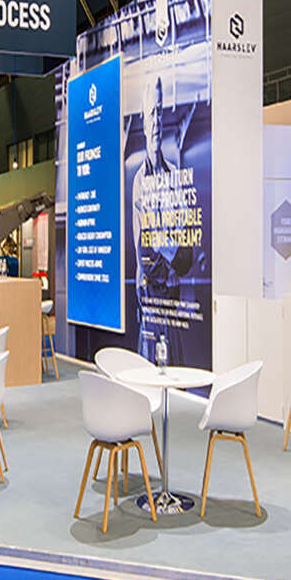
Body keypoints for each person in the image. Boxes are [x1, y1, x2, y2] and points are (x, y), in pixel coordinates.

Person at [132, 76, 191, 364]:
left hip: (172, 296)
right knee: (149, 366)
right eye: (151, 113)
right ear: (144, 121)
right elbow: (147, 248)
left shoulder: (175, 176)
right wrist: (169, 246)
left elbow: (185, 253)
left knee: (174, 365)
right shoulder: (139, 181)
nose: (156, 121)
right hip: (150, 293)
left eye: (160, 112)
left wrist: (164, 244)